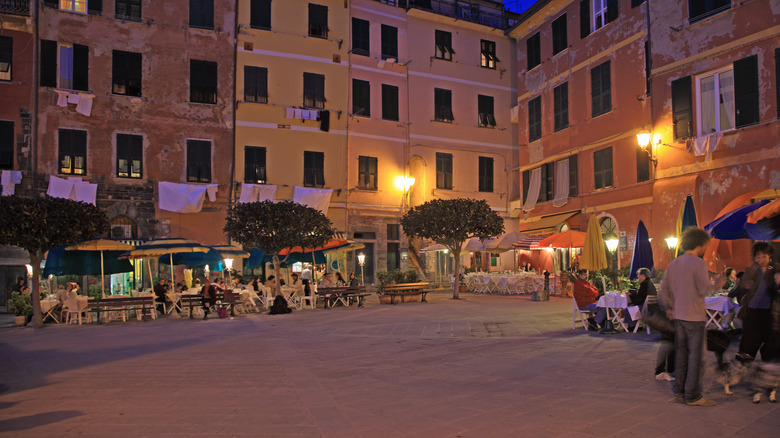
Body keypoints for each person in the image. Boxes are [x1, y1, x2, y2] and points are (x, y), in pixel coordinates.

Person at [660, 227, 722, 407]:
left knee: (681, 355)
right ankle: (693, 395)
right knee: (696, 357)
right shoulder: (698, 264)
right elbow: (703, 290)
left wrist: (669, 308)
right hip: (694, 317)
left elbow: (664, 291)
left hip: (679, 317)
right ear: (701, 244)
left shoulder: (674, 264)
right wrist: (717, 283)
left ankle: (679, 391)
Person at [736, 242, 779, 364]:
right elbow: (743, 287)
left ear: (769, 255)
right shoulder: (751, 269)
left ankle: (769, 368)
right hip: (752, 310)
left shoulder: (776, 268)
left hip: (769, 312)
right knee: (748, 340)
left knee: (772, 341)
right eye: (758, 257)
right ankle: (742, 367)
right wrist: (746, 284)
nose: (761, 260)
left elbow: (777, 287)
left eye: (764, 256)